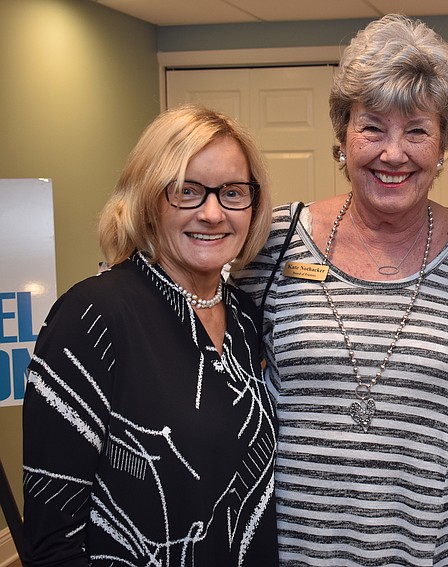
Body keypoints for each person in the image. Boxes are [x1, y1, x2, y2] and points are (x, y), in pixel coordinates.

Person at [231, 14, 448, 566]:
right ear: (342, 135)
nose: (393, 153)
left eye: (417, 130)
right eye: (372, 127)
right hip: (295, 553)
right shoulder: (274, 241)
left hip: (435, 553)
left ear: (443, 141)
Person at [21, 104, 277, 566]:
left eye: (233, 192)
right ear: (147, 200)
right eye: (186, 191)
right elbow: (53, 539)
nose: (213, 213)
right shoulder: (92, 317)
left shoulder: (243, 317)